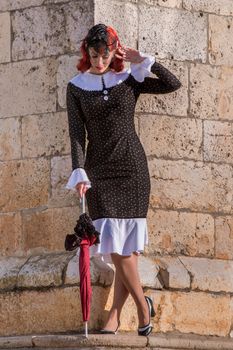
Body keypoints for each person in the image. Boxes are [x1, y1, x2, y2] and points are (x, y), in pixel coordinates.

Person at [65, 23, 182, 336]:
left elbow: (173, 84)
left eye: (104, 55)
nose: (99, 61)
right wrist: (79, 171)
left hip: (132, 170)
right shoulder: (76, 86)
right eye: (94, 55)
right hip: (99, 174)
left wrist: (142, 58)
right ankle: (144, 307)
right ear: (86, 53)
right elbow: (77, 135)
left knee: (125, 249)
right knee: (116, 247)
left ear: (113, 52)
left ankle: (115, 317)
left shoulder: (129, 79)